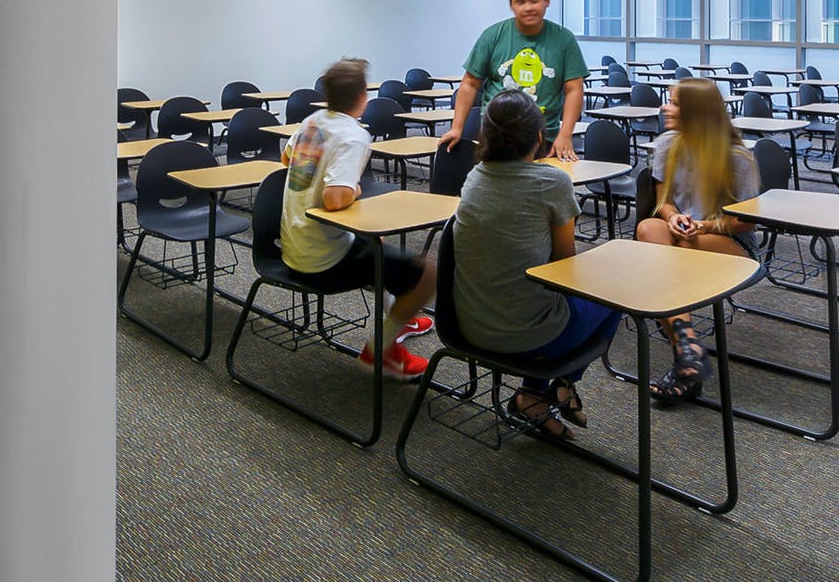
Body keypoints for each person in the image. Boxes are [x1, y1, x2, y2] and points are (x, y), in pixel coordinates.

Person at [451, 88, 622, 440]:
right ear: (540, 136)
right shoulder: (553, 182)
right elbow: (565, 268)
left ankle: (536, 396)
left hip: (466, 326)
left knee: (535, 298)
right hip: (529, 339)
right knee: (615, 290)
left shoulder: (475, 176)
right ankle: (558, 385)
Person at [280, 57, 437, 381]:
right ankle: (382, 350)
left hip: (294, 242)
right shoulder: (353, 136)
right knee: (428, 274)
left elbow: (286, 158)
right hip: (322, 260)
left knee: (374, 238)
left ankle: (400, 319)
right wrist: (351, 187)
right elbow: (335, 198)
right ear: (362, 96)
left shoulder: (313, 120)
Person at [634, 78, 763, 404]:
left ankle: (685, 355)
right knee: (649, 229)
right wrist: (673, 217)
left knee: (671, 252)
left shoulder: (737, 157)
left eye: (675, 102)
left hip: (732, 242)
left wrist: (701, 225)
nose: (666, 107)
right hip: (683, 235)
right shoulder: (667, 144)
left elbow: (745, 222)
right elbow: (663, 201)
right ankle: (689, 350)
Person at [441, 0, 587, 160]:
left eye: (534, 1)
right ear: (512, 5)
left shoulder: (563, 39)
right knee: (494, 187)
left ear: (547, 1)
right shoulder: (493, 36)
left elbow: (574, 89)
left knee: (542, 186)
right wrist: (457, 127)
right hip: (496, 136)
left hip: (543, 136)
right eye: (521, 2)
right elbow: (470, 83)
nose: (528, 8)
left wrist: (565, 135)